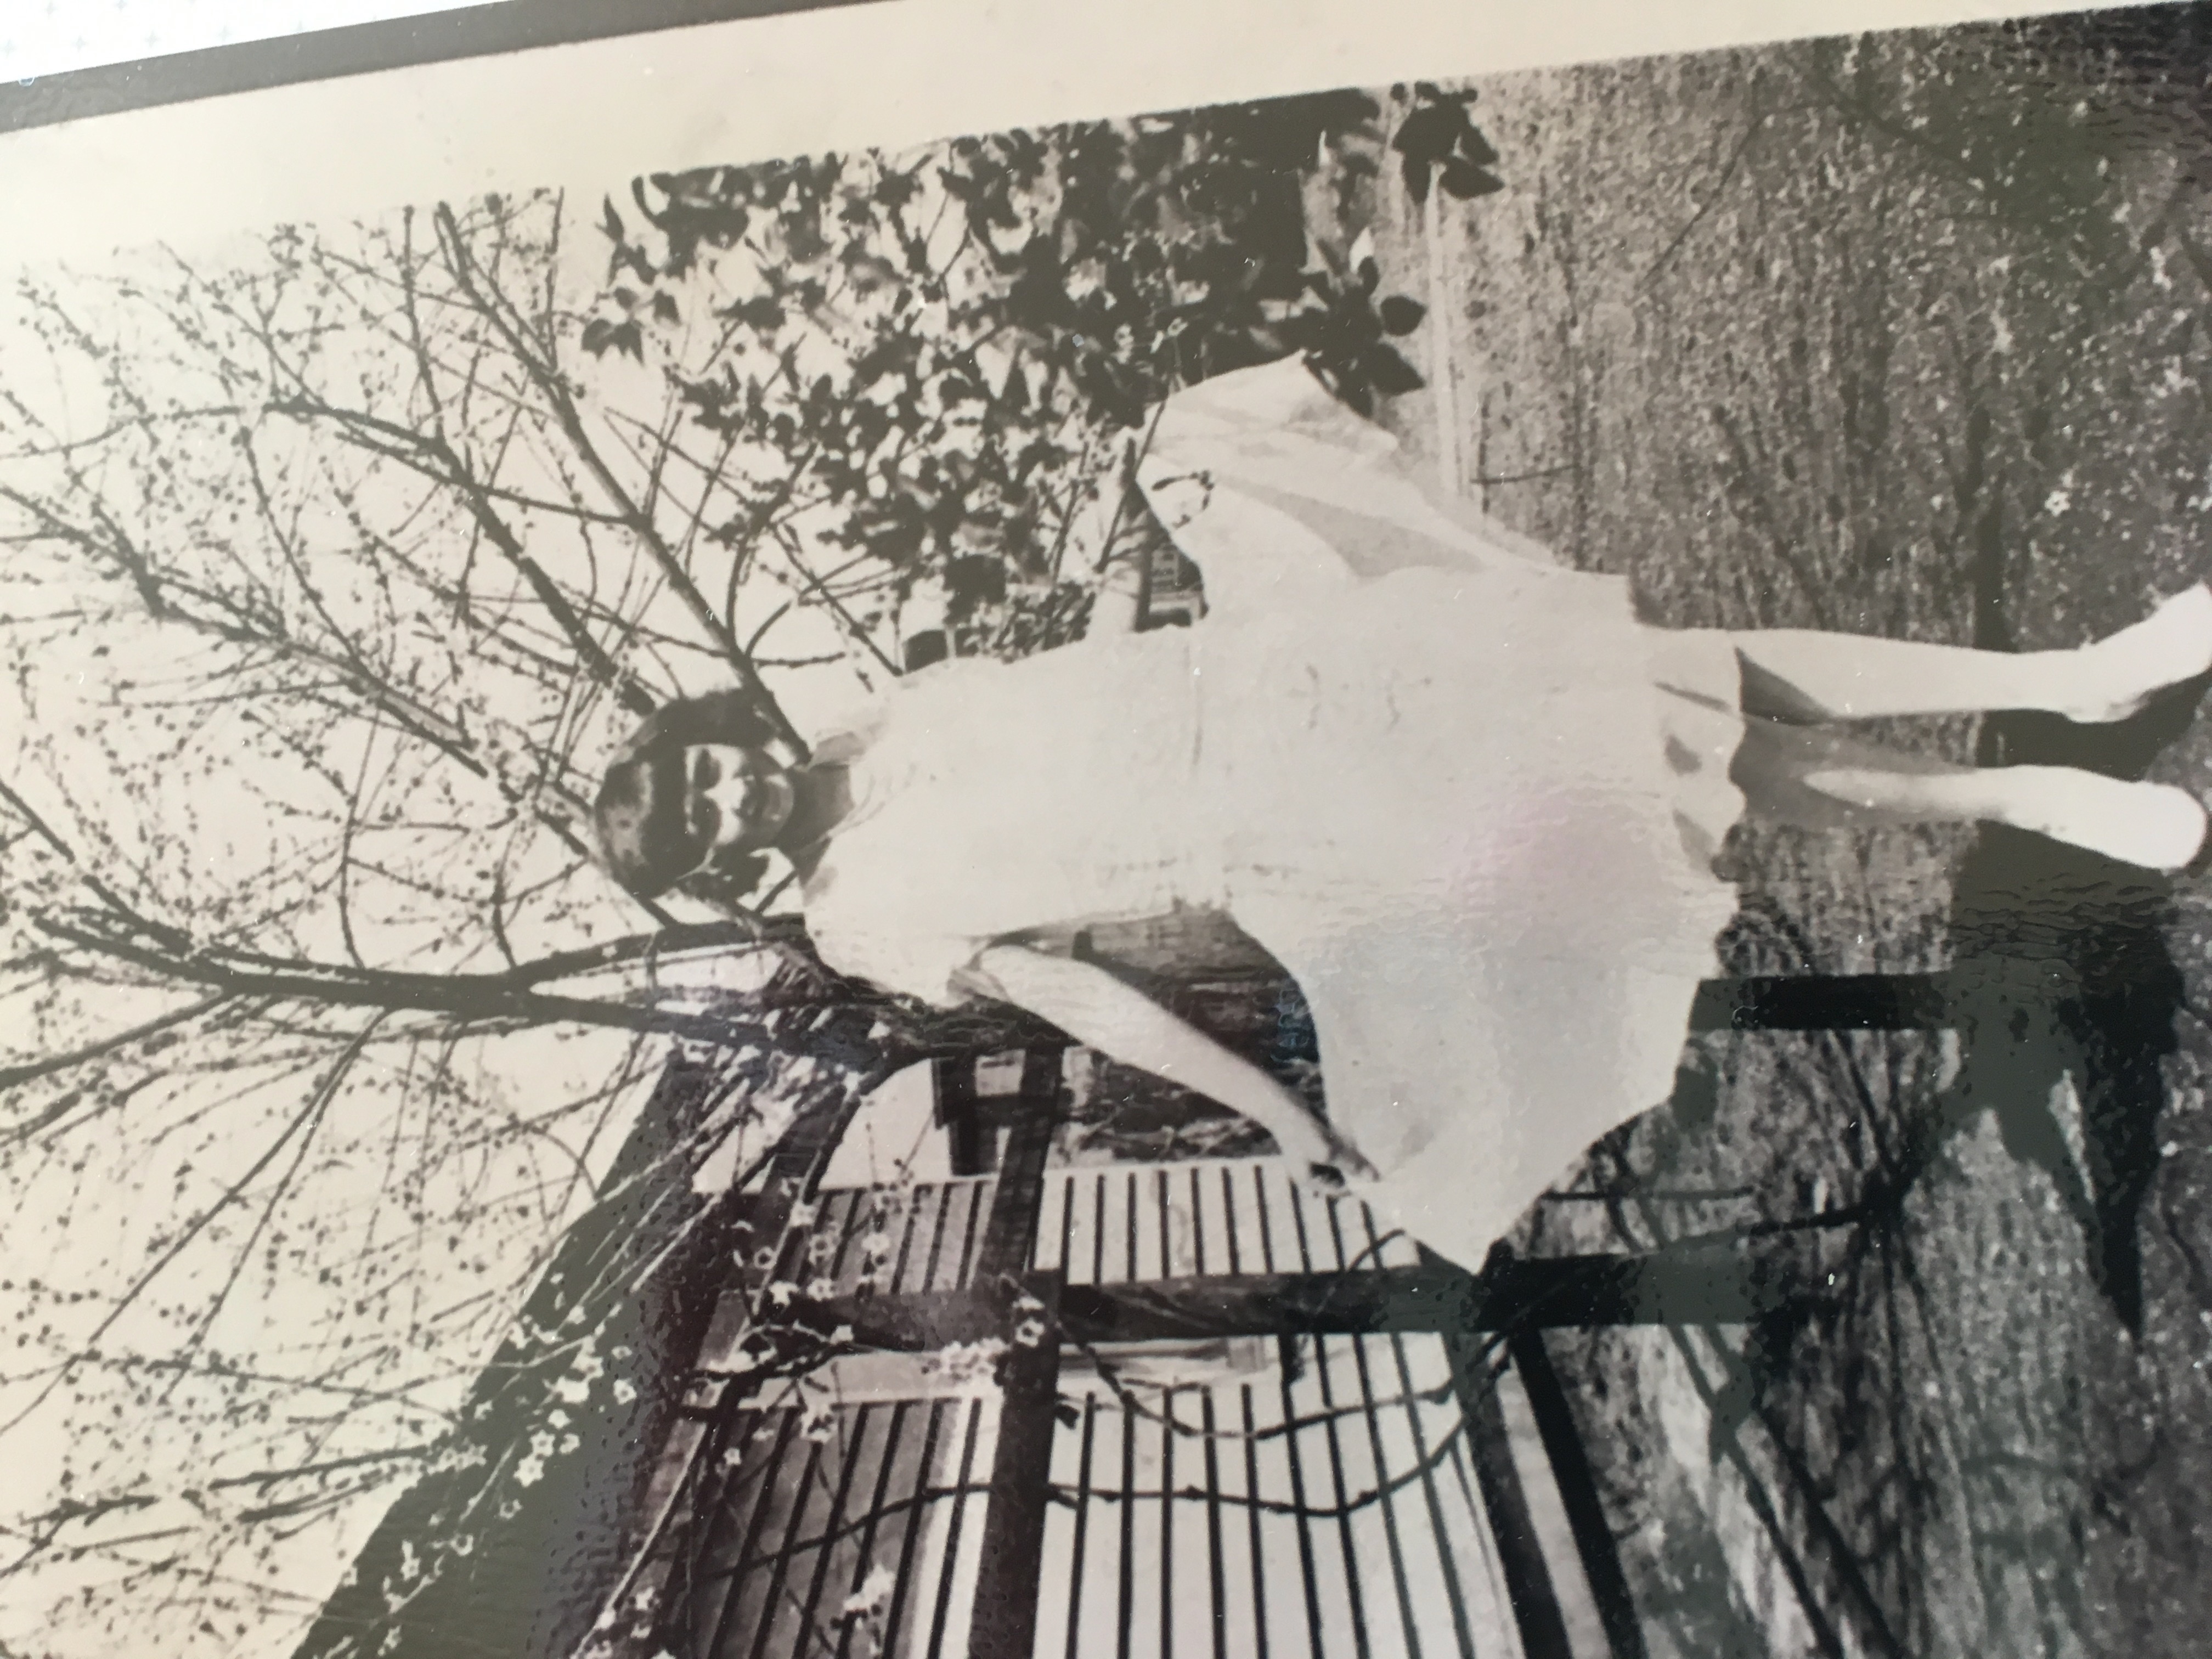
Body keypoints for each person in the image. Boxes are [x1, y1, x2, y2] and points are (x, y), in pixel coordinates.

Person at [594, 356, 2212, 1269]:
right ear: (725, 867)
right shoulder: (863, 921)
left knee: (1677, 669)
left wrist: (1129, 543)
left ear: (721, 736)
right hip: (1316, 814)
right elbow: (1078, 996)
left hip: (1295, 656)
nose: (734, 790)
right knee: (1679, 761)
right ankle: (2023, 787)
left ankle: (2071, 684)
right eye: (706, 822)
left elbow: (1082, 684)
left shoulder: (874, 715)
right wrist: (1278, 1114)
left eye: (708, 765)